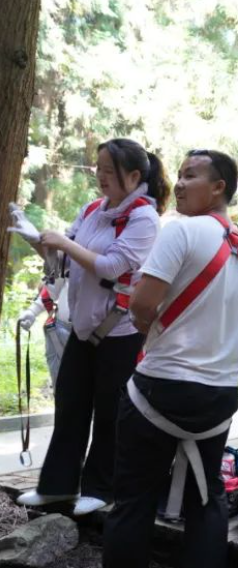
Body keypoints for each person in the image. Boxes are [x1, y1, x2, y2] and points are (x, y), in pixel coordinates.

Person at [93, 149, 238, 568]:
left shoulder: (180, 232)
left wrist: (152, 333)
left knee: (134, 495)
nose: (180, 184)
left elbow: (142, 304)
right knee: (207, 495)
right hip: (218, 397)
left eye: (192, 176)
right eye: (181, 175)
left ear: (219, 187)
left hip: (159, 389)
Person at [12, 139, 168, 517]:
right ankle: (56, 486)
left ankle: (100, 488)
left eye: (109, 170)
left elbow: (112, 266)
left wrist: (63, 243)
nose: (101, 176)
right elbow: (64, 261)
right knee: (70, 405)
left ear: (134, 175)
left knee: (109, 411)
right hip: (82, 328)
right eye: (98, 168)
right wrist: (35, 237)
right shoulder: (92, 210)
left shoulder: (144, 219)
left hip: (119, 330)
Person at [17, 275, 71, 386]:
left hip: (100, 336)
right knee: (61, 386)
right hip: (59, 333)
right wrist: (33, 311)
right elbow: (52, 287)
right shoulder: (66, 265)